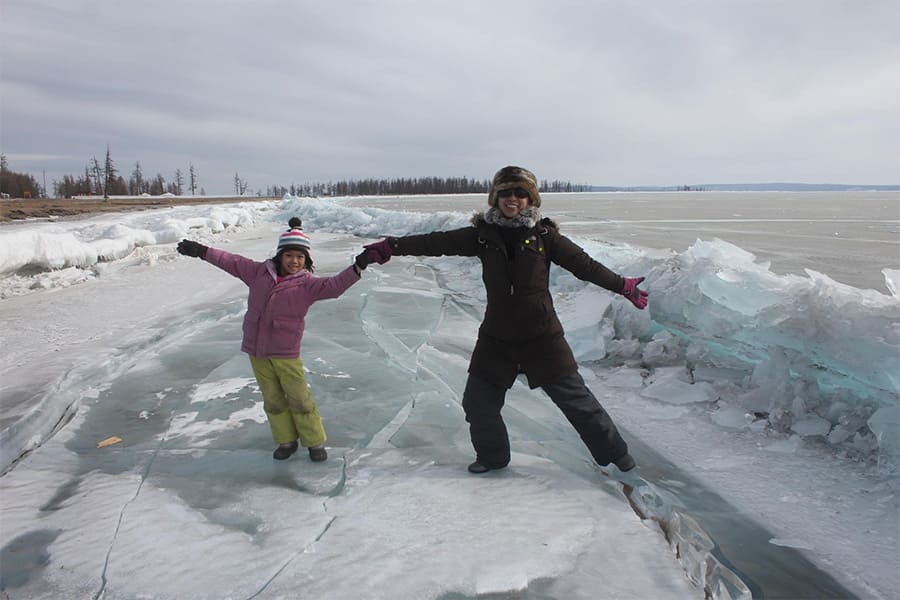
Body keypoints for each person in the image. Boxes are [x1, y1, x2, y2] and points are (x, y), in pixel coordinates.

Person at [363, 166, 648, 474]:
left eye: (521, 193)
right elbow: (436, 243)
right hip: (496, 338)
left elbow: (585, 266)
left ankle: (617, 456)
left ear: (531, 199)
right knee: (478, 404)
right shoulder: (482, 237)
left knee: (577, 403)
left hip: (542, 337)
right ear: (495, 197)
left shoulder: (544, 237)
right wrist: (392, 246)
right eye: (506, 193)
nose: (513, 199)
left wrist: (623, 285)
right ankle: (493, 457)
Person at [177, 217, 374, 462]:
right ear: (280, 255)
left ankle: (314, 442)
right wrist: (203, 251)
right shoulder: (258, 273)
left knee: (300, 399)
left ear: (307, 260)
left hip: (285, 353)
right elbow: (231, 261)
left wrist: (357, 268)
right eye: (290, 255)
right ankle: (286, 441)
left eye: (300, 257)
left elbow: (334, 286)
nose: (294, 261)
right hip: (257, 351)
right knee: (272, 398)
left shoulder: (307, 285)